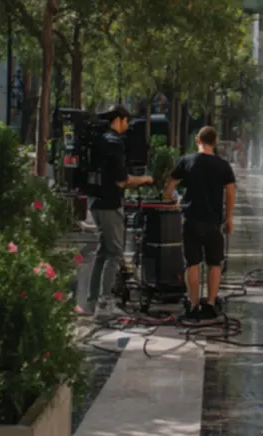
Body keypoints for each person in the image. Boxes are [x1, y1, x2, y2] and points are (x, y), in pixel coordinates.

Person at [163, 126, 237, 321]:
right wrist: (229, 217)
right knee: (214, 263)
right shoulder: (223, 166)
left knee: (192, 263)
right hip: (213, 221)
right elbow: (230, 192)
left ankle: (194, 304)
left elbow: (170, 184)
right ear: (215, 142)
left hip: (191, 219)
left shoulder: (187, 161)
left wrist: (170, 198)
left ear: (198, 140)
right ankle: (210, 304)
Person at [87, 105, 153, 316]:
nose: (128, 125)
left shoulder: (98, 140)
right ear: (120, 119)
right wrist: (146, 180)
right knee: (114, 252)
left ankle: (92, 301)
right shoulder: (115, 143)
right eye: (127, 121)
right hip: (110, 203)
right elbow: (122, 181)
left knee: (103, 251)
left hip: (95, 202)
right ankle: (105, 303)